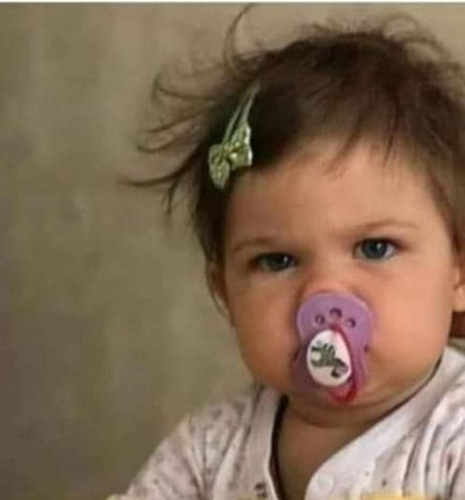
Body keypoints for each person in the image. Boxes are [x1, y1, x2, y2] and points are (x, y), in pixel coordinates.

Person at [109, 10, 465, 500]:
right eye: (277, 261)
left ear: (458, 273)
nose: (322, 294)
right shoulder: (208, 451)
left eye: (375, 248)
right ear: (226, 295)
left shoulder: (453, 439)